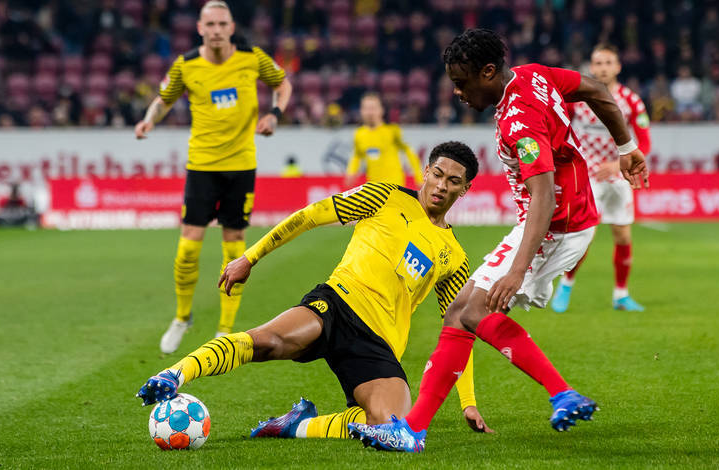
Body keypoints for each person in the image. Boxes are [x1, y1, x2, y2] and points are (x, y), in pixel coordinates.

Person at [349, 28, 648, 452]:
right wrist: (627, 146)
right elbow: (597, 90)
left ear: (488, 72)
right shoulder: (533, 75)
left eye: (462, 82)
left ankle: (561, 394)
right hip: (567, 217)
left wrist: (517, 270)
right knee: (459, 312)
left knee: (472, 310)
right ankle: (412, 430)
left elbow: (543, 195)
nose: (457, 92)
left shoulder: (518, 122)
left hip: (553, 224)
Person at [137, 142, 495, 439]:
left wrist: (468, 402)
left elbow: (458, 333)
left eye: (453, 181)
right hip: (336, 305)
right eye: (437, 174)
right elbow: (310, 215)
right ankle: (175, 374)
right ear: (426, 171)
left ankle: (297, 426)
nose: (441, 186)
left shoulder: (455, 258)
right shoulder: (383, 195)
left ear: (465, 189)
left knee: (393, 426)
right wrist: (250, 257)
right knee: (268, 341)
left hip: (380, 343)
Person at [134, 1, 292, 354]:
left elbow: (283, 85)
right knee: (188, 247)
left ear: (232, 28)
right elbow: (164, 99)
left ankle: (225, 330)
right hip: (202, 166)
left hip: (241, 165)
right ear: (200, 29)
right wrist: (148, 120)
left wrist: (275, 113)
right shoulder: (186, 65)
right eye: (210, 24)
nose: (217, 30)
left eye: (222, 24)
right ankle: (182, 317)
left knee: (234, 247)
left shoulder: (252, 58)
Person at [551, 43, 652, 313]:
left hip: (619, 174)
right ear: (591, 67)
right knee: (585, 234)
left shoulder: (632, 101)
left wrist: (617, 165)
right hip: (587, 174)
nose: (603, 68)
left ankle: (621, 295)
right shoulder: (578, 98)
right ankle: (566, 284)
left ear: (618, 67)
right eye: (598, 63)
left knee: (623, 235)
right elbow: (559, 129)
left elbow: (644, 143)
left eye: (608, 63)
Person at [344, 93, 424, 188]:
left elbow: (409, 152)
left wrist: (419, 177)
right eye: (366, 108)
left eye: (373, 108)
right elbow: (357, 155)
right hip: (374, 187)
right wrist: (351, 172)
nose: (369, 112)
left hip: (394, 185)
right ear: (361, 111)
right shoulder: (359, 134)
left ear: (381, 110)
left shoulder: (392, 130)